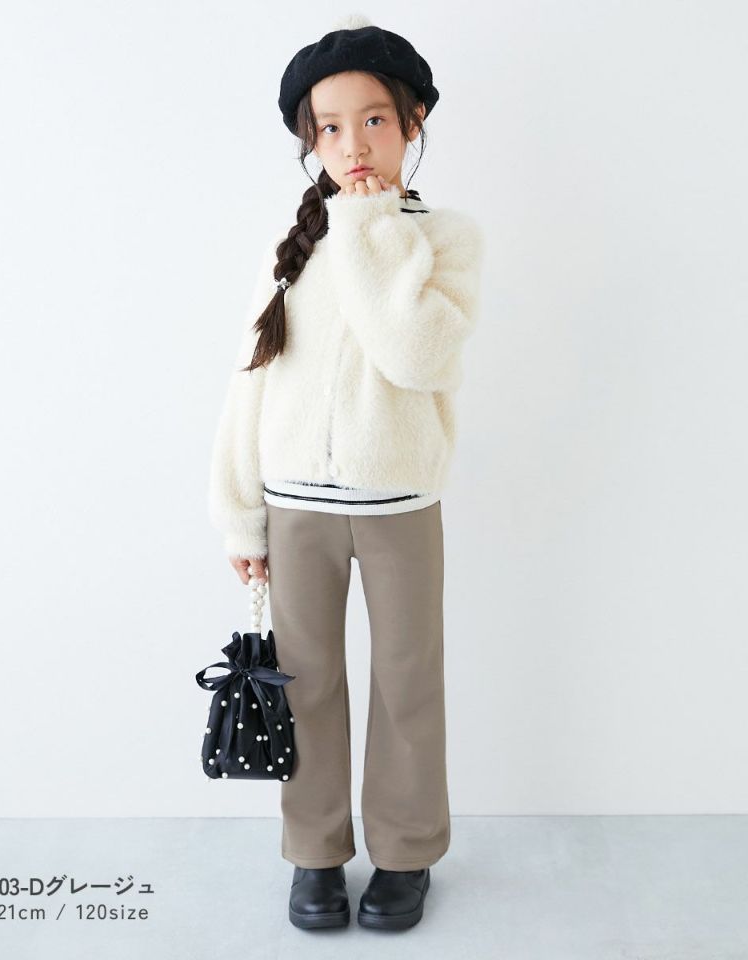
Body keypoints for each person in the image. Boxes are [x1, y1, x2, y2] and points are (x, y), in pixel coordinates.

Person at [207, 14, 484, 932]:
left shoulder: (446, 239)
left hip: (401, 503)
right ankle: (315, 854)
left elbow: (417, 354)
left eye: (374, 120)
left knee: (407, 684)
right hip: (295, 508)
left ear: (412, 123)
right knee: (306, 685)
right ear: (309, 140)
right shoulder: (292, 250)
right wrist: (241, 516)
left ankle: (405, 855)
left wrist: (368, 225)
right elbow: (250, 384)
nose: (353, 144)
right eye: (329, 127)